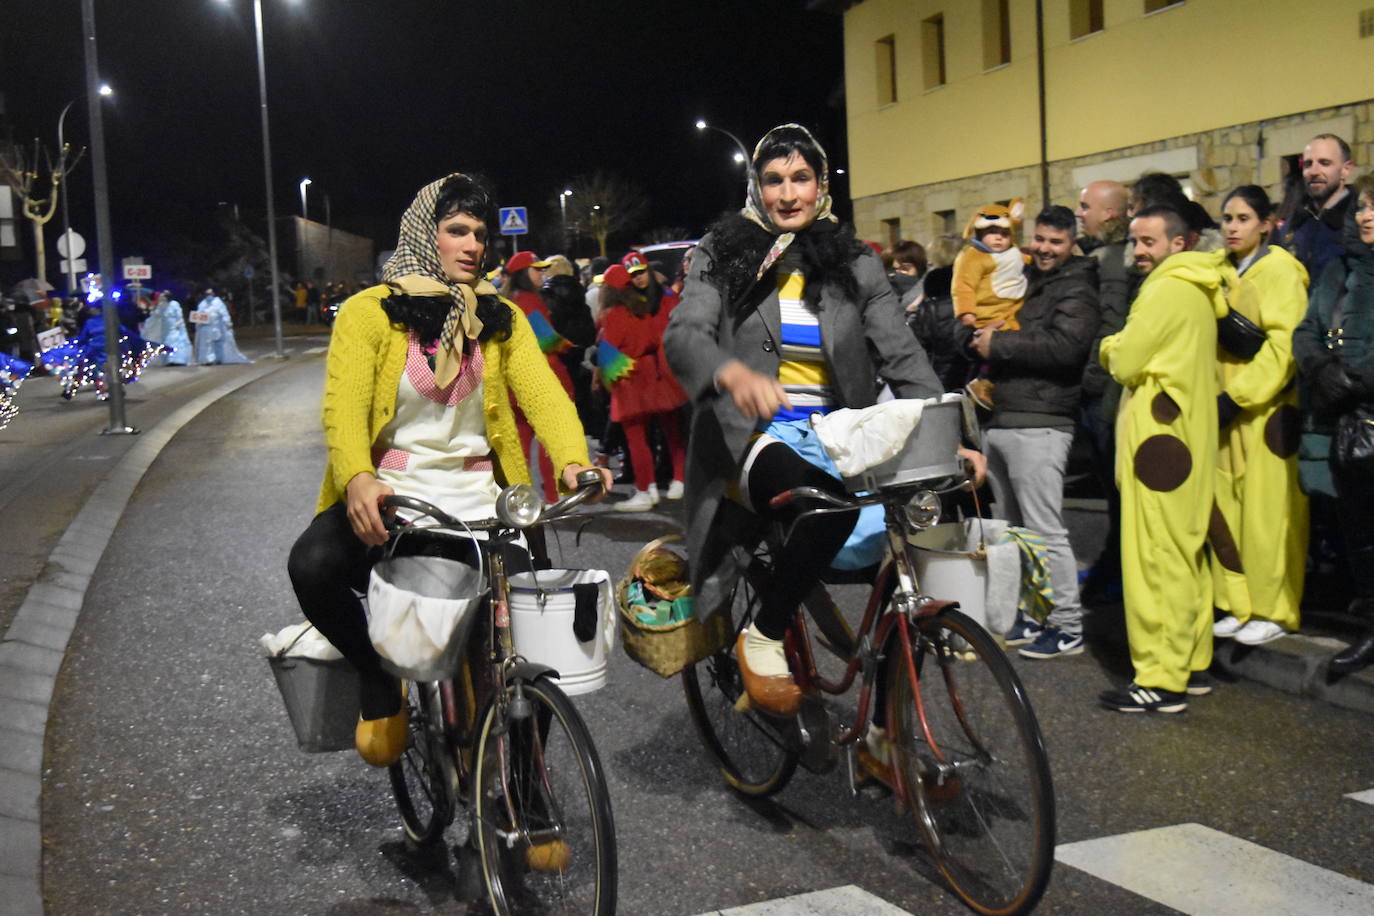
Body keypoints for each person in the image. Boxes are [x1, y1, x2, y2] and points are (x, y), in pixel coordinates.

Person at [286, 173, 609, 767]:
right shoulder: (369, 313)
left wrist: (572, 460)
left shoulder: (500, 316)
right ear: (422, 234)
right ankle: (378, 677)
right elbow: (344, 407)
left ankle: (528, 797)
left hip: (482, 500)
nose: (472, 245)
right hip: (394, 497)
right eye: (456, 230)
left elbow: (546, 398)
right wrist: (357, 476)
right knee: (311, 566)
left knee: (527, 649)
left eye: (480, 234)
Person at [663, 123, 984, 715]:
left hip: (839, 432)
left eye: (801, 179)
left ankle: (891, 734)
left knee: (925, 518)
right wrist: (728, 374)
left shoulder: (854, 260)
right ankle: (763, 633)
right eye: (774, 179)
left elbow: (903, 354)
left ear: (822, 185)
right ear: (756, 187)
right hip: (751, 434)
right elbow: (685, 333)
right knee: (824, 505)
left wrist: (954, 435)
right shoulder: (723, 249)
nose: (788, 194)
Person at [1097, 205, 1231, 714]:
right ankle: (1189, 665)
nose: (1138, 252)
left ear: (1179, 243)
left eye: (1148, 242)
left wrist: (1110, 347)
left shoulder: (1167, 288)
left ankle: (1159, 679)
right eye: (1135, 242)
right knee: (1184, 557)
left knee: (1155, 562)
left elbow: (1126, 358)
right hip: (1186, 440)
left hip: (1158, 445)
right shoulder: (1200, 287)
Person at [958, 205, 1100, 659]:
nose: (1043, 248)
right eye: (1039, 238)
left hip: (1043, 422)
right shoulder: (1030, 281)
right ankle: (1035, 612)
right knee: (1019, 532)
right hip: (1007, 415)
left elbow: (1066, 348)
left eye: (1055, 241)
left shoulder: (1078, 287)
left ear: (1071, 243)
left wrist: (998, 342)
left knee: (1045, 530)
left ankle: (1068, 626)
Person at [1209, 186, 1309, 646]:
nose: (1231, 227)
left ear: (1266, 223)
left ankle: (1275, 608)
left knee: (1271, 513)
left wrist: (1238, 397)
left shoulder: (1282, 271)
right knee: (1229, 510)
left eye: (1243, 218)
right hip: (1227, 410)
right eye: (1227, 218)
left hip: (1267, 409)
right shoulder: (1219, 270)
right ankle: (1238, 602)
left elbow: (1284, 345)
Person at [1294, 174, 1374, 674]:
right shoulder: (1339, 270)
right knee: (1361, 536)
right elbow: (1308, 329)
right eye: (1364, 207)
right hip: (1346, 427)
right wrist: (1322, 369)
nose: (1367, 215)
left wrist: (1360, 379)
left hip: (1364, 405)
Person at [1077, 179, 1135, 600]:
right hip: (1099, 391)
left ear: (1110, 213)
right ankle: (1111, 573)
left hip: (1104, 396)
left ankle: (1114, 577)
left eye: (1085, 206)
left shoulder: (1109, 263)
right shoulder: (1101, 257)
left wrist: (1092, 383)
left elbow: (1109, 328)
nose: (1080, 213)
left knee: (1120, 497)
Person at [598, 255, 687, 511]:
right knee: (668, 429)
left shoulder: (615, 313)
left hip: (629, 378)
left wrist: (606, 375)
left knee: (637, 438)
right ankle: (665, 483)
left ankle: (645, 491)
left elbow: (609, 352)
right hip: (654, 373)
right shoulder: (642, 306)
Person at [500, 250, 571, 502]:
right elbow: (546, 340)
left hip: (515, 380)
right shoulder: (529, 300)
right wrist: (568, 346)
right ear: (523, 274)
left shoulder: (511, 299)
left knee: (520, 441)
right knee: (546, 440)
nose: (542, 274)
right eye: (536, 269)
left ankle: (520, 496)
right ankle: (553, 495)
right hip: (539, 376)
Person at [952, 201, 1030, 407]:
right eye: (992, 232)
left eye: (1004, 233)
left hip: (1011, 310)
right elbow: (963, 286)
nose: (998, 237)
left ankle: (985, 382)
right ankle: (980, 382)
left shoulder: (1014, 252)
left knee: (1007, 349)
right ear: (978, 233)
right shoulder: (973, 257)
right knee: (989, 349)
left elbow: (1028, 260)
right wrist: (966, 312)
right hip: (987, 312)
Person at [1275, 134, 1357, 282]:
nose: (1313, 171)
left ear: (1346, 169)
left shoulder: (1360, 223)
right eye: (1308, 164)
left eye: (1324, 163)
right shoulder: (1292, 225)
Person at [192, 288, 251, 365]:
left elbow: (224, 314)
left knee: (217, 344)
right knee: (207, 345)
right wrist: (198, 323)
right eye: (207, 294)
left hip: (215, 327)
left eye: (210, 294)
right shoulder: (202, 304)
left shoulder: (218, 302)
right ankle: (207, 360)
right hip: (205, 328)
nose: (209, 296)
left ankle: (218, 358)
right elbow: (198, 316)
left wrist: (227, 323)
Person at [141, 290, 192, 366]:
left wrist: (179, 323)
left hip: (174, 327)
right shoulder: (162, 305)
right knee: (166, 343)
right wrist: (154, 308)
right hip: (165, 328)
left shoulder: (174, 304)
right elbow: (157, 314)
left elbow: (179, 315)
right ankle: (168, 360)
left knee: (175, 342)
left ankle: (176, 360)